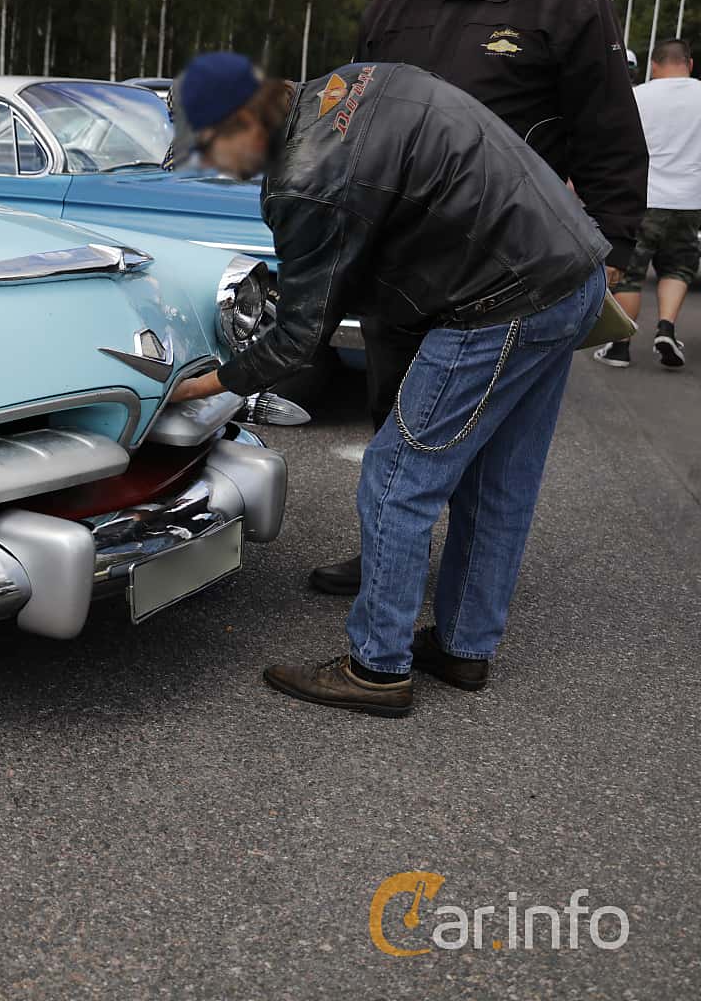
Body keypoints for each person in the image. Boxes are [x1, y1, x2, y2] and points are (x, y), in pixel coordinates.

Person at [164, 52, 609, 717]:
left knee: (397, 479)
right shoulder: (351, 82)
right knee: (499, 483)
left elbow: (297, 338)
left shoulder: (306, 178)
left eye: (207, 147)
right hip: (571, 273)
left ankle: (377, 668)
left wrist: (205, 385)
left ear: (243, 119)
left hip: (499, 300)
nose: (212, 165)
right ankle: (463, 648)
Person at [309, 0, 647, 597]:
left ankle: (458, 601)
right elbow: (356, 119)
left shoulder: (565, 0)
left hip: (508, 269)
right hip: (399, 264)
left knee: (490, 452)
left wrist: (617, 242)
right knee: (393, 422)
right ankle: (390, 559)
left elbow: (609, 131)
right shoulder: (396, 5)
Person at [595, 38, 701, 368]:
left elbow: (615, 146)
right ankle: (666, 328)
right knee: (678, 266)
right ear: (690, 64)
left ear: (654, 66)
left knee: (629, 273)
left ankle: (619, 347)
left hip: (644, 197)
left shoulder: (637, 96)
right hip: (689, 200)